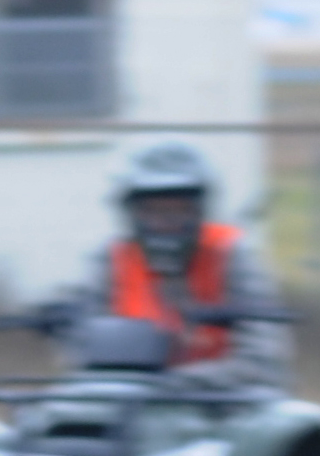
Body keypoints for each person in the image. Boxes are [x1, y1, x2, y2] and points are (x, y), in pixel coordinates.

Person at [64, 138, 290, 382]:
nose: (166, 222)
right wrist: (66, 327)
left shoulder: (232, 254)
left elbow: (264, 358)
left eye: (180, 210)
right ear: (131, 214)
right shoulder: (110, 260)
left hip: (224, 404)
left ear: (200, 211)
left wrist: (177, 382)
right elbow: (83, 356)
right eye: (152, 211)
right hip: (130, 400)